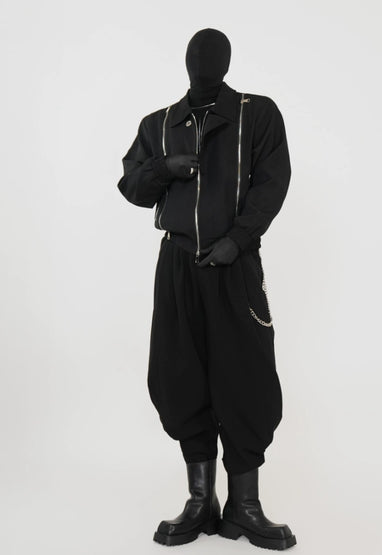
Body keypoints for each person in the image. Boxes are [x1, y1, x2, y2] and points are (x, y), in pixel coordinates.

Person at [117, 27, 296, 550]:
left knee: (246, 376)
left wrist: (237, 241)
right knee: (177, 375)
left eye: (213, 55)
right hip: (176, 265)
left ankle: (245, 506)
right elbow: (131, 185)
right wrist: (163, 168)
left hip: (233, 266)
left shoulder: (257, 114)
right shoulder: (158, 124)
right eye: (197, 55)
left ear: (227, 62)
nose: (204, 62)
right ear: (186, 62)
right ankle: (201, 501)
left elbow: (273, 183)